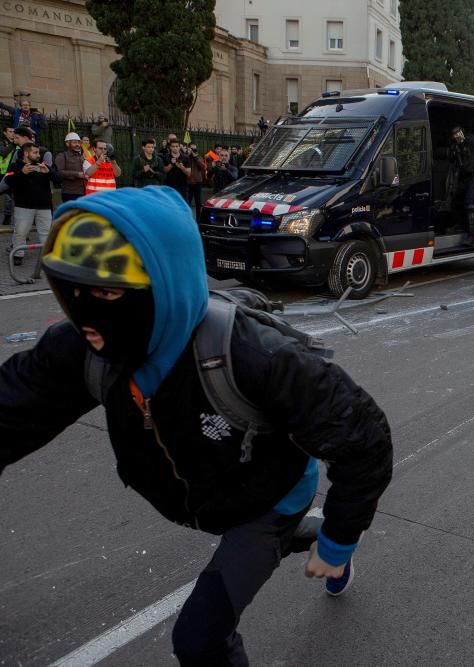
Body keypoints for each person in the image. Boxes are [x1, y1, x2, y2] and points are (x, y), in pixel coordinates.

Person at [0, 186, 393, 664]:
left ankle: (313, 534)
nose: (87, 312)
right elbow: (11, 407)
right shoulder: (82, 351)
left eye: (106, 292)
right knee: (275, 546)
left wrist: (340, 539)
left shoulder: (258, 355)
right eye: (72, 290)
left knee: (199, 638)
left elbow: (364, 440)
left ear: (161, 284)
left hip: (270, 500)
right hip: (209, 500)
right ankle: (304, 535)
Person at [4, 142, 54, 266]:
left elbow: (59, 179)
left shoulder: (43, 165)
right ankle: (18, 254)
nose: (38, 155)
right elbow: (7, 181)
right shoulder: (15, 166)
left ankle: (47, 256)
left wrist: (48, 172)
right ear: (26, 153)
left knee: (46, 232)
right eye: (35, 152)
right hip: (23, 206)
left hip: (44, 207)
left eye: (38, 152)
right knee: (20, 232)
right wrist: (22, 173)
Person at [54, 132, 89, 203]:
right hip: (69, 193)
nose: (77, 145)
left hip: (84, 192)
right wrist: (77, 174)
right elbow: (59, 173)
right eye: (74, 142)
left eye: (79, 143)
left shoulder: (82, 156)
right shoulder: (62, 156)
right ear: (67, 143)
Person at [186, 143, 206, 213]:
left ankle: (198, 220)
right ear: (188, 149)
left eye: (194, 149)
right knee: (187, 202)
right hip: (188, 183)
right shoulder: (186, 157)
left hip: (198, 182)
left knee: (198, 203)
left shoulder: (199, 157)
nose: (193, 151)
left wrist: (195, 157)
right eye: (191, 149)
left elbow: (203, 167)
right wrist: (188, 155)